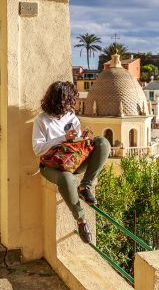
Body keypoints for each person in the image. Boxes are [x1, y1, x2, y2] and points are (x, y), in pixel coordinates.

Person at [32, 81, 110, 243]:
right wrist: (62, 138)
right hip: (51, 165)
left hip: (72, 160)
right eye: (69, 101)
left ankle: (84, 186)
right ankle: (81, 220)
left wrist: (83, 139)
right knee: (67, 178)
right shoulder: (42, 120)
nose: (72, 104)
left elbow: (75, 144)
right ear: (60, 100)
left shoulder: (72, 117)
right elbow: (38, 149)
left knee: (103, 143)